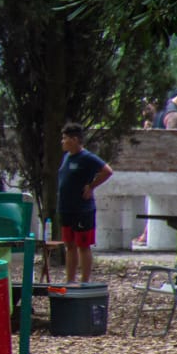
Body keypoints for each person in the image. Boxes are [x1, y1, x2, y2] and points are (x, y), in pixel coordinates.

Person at [57, 122, 113, 284]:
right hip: (66, 208)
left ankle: (85, 281)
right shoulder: (67, 156)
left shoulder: (87, 157)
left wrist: (91, 186)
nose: (62, 141)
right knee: (69, 245)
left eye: (65, 138)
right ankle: (70, 280)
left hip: (82, 209)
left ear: (74, 140)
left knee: (83, 245)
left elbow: (107, 171)